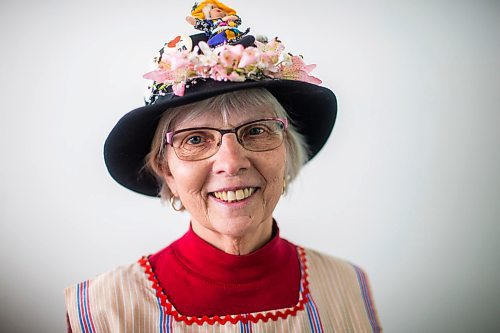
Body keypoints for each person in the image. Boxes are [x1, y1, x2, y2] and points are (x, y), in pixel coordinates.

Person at [64, 5, 382, 333]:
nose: (231, 163)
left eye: (257, 130)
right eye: (196, 139)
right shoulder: (102, 309)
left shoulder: (349, 286)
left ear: (286, 151)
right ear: (166, 169)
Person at [185, 0, 252, 47]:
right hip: (218, 34)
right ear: (208, 14)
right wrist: (195, 22)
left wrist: (229, 17)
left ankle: (241, 43)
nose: (217, 9)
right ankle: (220, 49)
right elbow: (203, 25)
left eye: (220, 8)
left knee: (243, 37)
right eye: (213, 8)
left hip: (233, 33)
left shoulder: (230, 20)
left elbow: (238, 20)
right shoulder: (211, 23)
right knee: (219, 39)